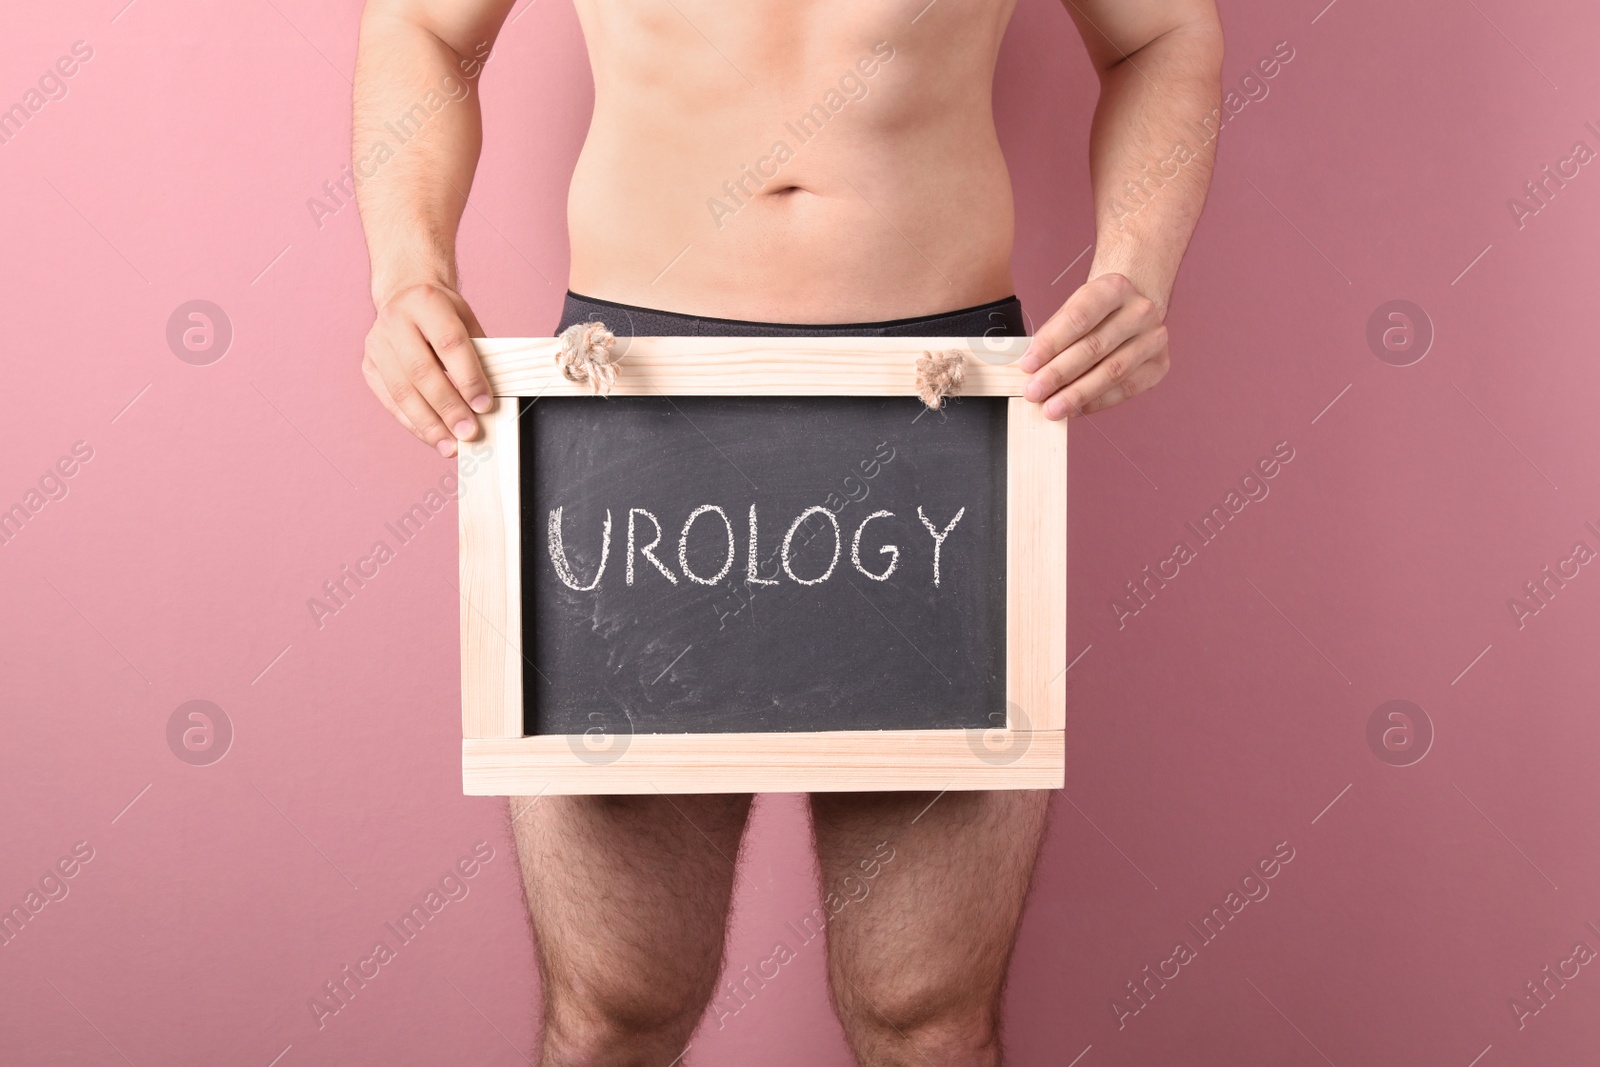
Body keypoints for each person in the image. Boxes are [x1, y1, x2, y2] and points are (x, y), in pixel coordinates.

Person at [353, 0, 1221, 1062]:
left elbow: (1161, 34)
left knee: (928, 1014)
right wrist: (409, 275)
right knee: (612, 1006)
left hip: (935, 411)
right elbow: (422, 25)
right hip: (629, 406)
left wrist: (1135, 263)